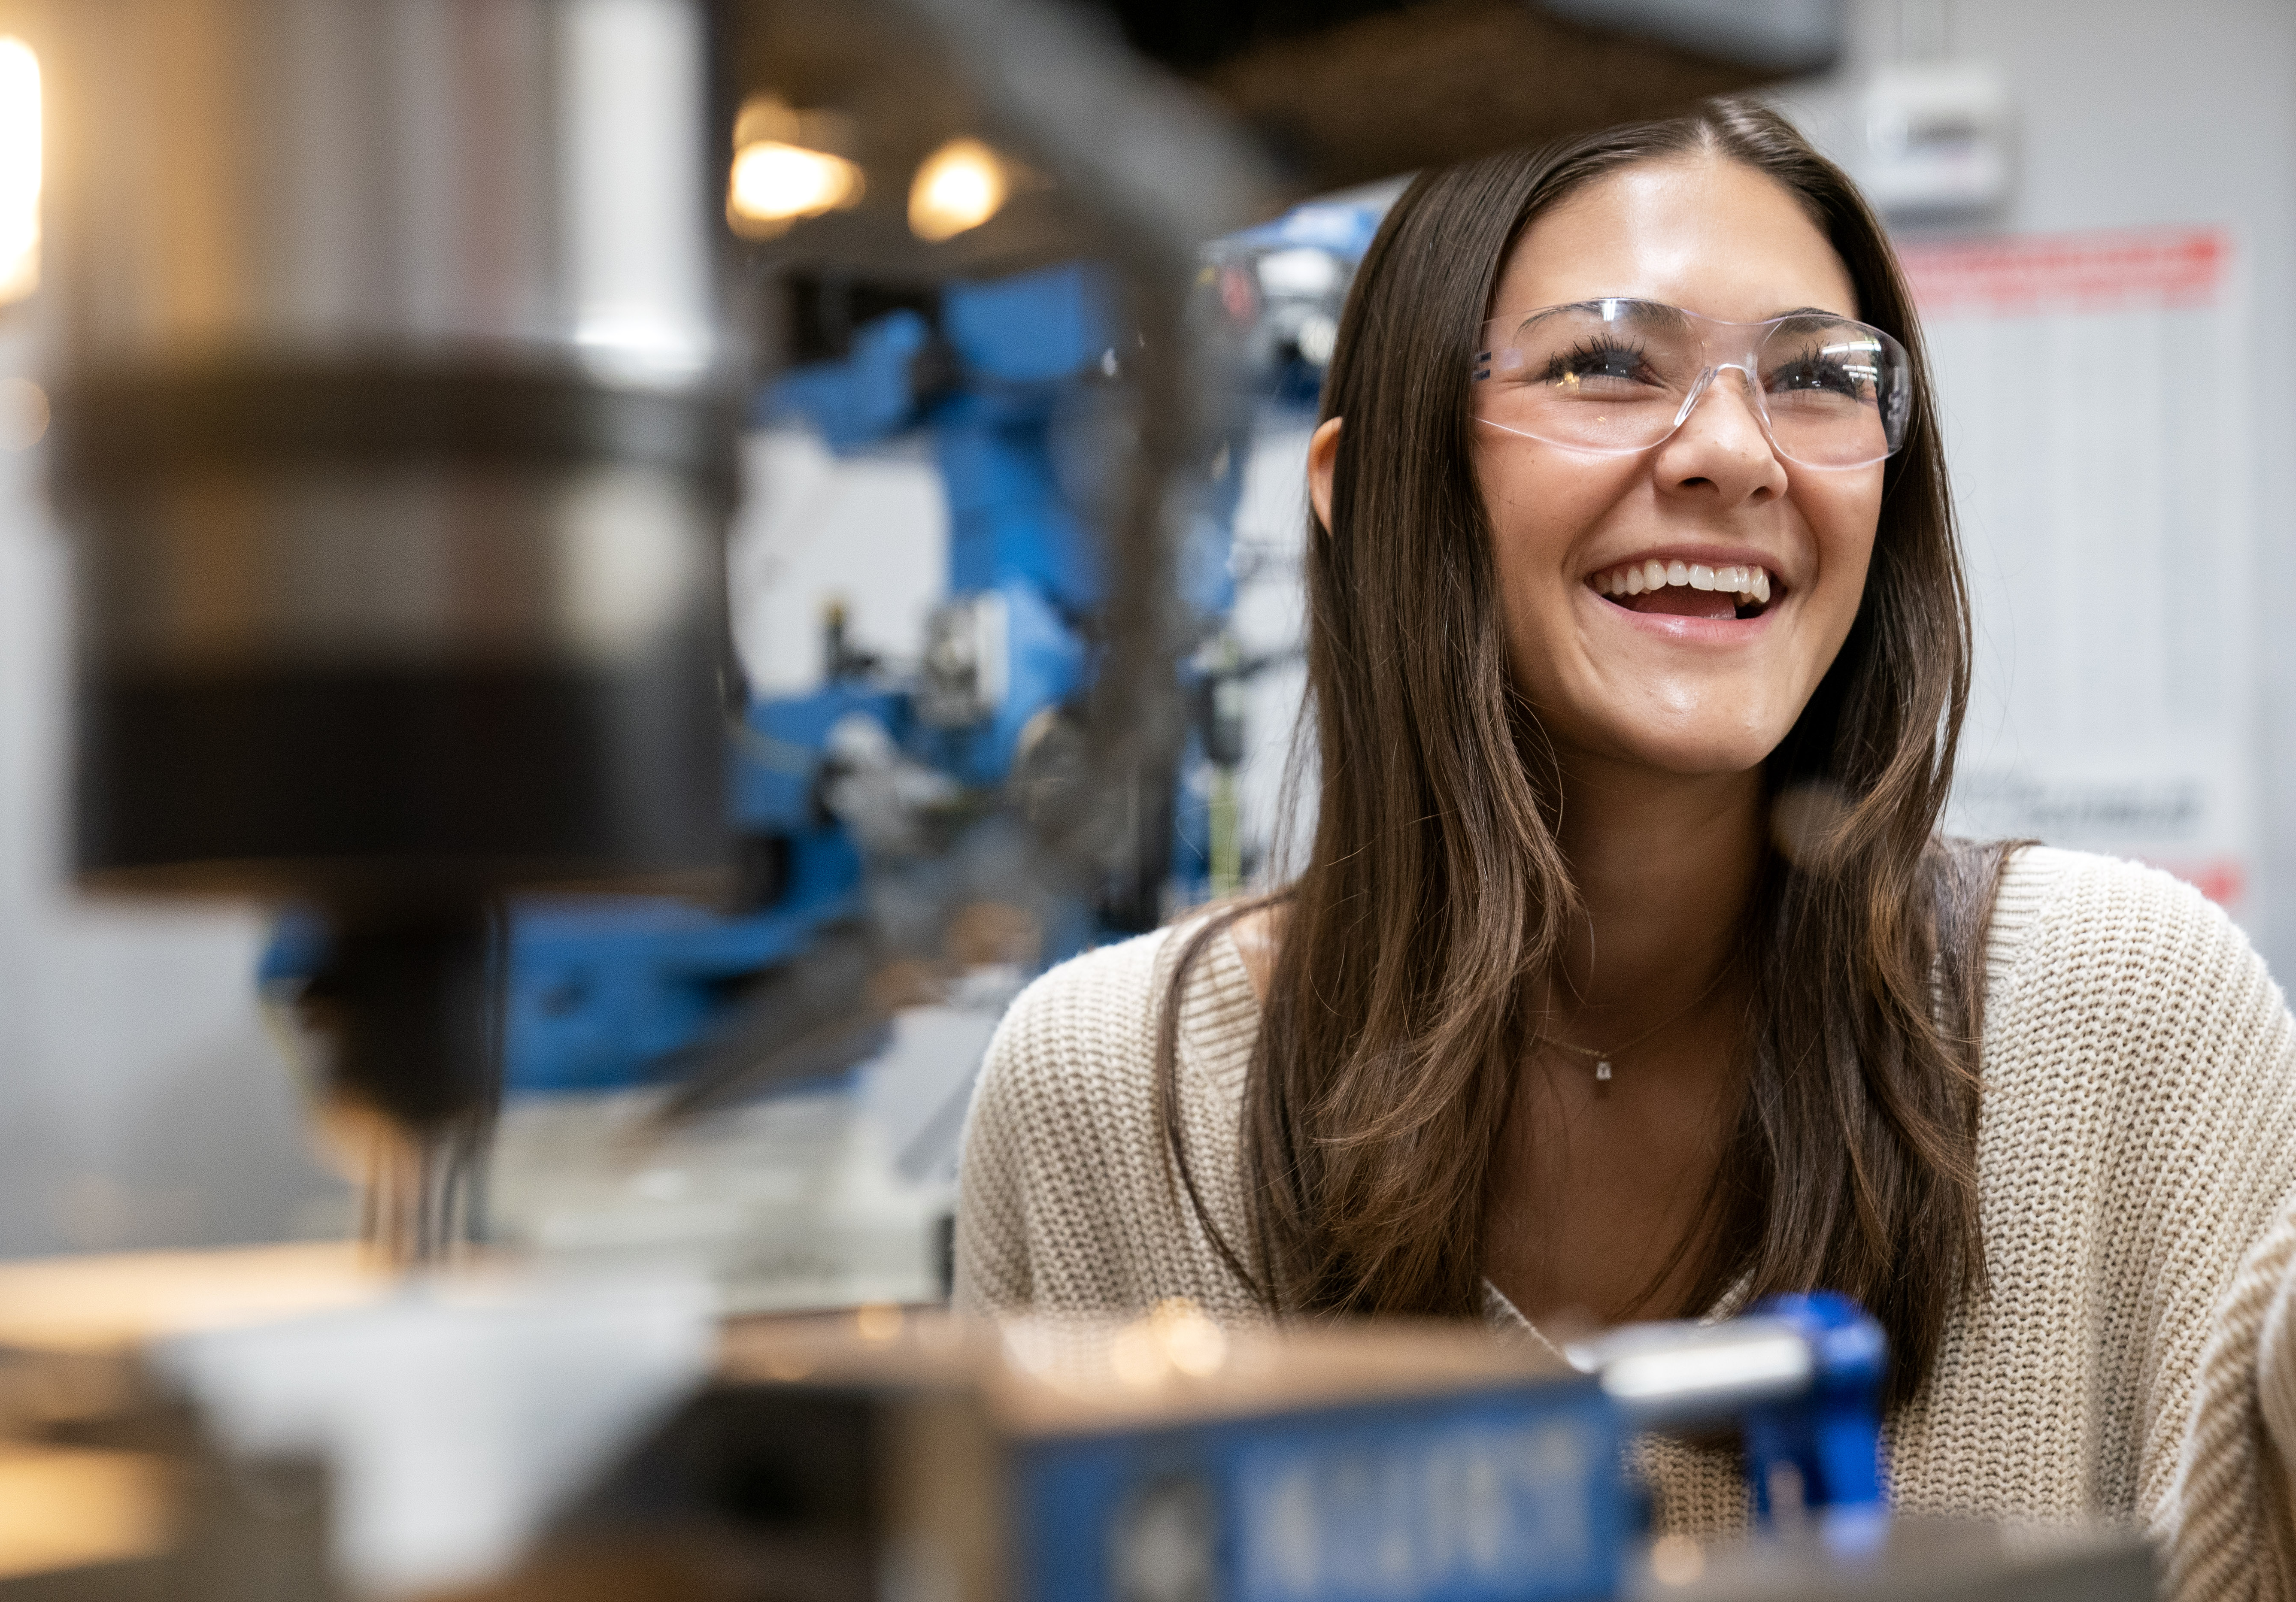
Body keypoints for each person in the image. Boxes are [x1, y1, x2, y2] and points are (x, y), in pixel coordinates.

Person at [952, 99, 2296, 1596]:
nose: (1735, 452)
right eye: (1603, 363)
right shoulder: (1104, 1093)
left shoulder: (2126, 1020)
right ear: (1365, 487)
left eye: (1816, 380)